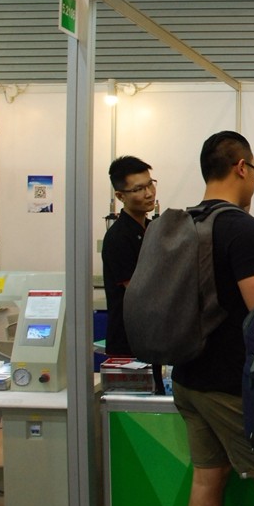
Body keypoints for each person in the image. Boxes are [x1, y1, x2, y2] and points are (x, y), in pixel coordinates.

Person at [169, 131, 254, 506]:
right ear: (242, 167)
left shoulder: (183, 222)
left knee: (207, 480)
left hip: (187, 377)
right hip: (231, 385)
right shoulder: (243, 228)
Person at [101, 155, 165, 393]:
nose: (149, 193)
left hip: (150, 337)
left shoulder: (149, 228)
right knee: (132, 407)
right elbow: (140, 291)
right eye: (139, 189)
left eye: (150, 184)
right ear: (120, 196)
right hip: (128, 343)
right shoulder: (119, 237)